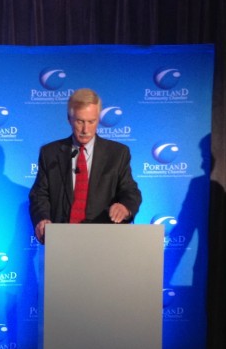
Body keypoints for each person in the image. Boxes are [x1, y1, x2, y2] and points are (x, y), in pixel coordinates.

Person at [29, 88, 142, 243]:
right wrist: (43, 218)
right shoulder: (50, 153)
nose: (85, 130)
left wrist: (125, 207)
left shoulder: (118, 153)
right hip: (62, 241)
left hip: (104, 241)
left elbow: (131, 192)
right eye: (80, 121)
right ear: (69, 119)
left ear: (99, 119)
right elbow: (39, 194)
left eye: (91, 122)